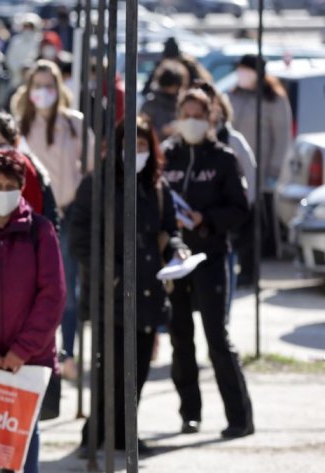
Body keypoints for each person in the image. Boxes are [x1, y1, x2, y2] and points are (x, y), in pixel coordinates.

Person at [73, 117, 188, 454]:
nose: (135, 153)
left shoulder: (157, 187)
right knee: (109, 368)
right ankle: (96, 433)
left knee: (137, 368)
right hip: (112, 293)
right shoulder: (97, 185)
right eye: (129, 146)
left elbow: (170, 230)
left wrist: (178, 250)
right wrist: (112, 274)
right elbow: (81, 238)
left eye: (141, 147)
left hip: (149, 292)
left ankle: (125, 432)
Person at [0, 149, 66, 473]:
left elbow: (53, 296)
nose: (2, 192)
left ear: (21, 187)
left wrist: (22, 350)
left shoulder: (40, 232)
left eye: (10, 186)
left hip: (26, 363)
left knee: (22, 449)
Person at [162, 89, 255, 439]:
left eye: (198, 114)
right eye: (185, 113)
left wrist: (206, 219)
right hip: (175, 261)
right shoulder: (166, 155)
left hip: (211, 257)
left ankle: (239, 417)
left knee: (217, 337)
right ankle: (190, 413)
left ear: (211, 117)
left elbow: (240, 208)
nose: (192, 121)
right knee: (180, 338)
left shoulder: (223, 158)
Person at [16, 59, 94, 381]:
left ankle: (69, 352)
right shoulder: (19, 125)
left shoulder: (74, 124)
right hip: (31, 215)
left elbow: (90, 168)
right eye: (39, 86)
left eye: (50, 85)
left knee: (67, 287)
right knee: (28, 287)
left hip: (69, 213)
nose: (44, 92)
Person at [197, 80, 257, 315]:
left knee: (220, 299)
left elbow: (249, 184)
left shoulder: (232, 142)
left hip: (224, 229)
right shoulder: (179, 145)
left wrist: (236, 215)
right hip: (191, 231)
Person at [227, 54, 293, 262]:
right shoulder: (235, 95)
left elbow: (282, 136)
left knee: (262, 212)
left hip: (263, 165)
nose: (242, 74)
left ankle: (267, 253)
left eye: (246, 70)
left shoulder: (273, 99)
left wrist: (275, 169)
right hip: (237, 165)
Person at [141, 60, 186, 141]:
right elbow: (142, 132)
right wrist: (162, 131)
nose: (171, 90)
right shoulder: (151, 103)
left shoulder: (182, 102)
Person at [5, 15, 42, 88]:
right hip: (17, 80)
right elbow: (10, 59)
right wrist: (20, 70)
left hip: (36, 80)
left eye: (30, 26)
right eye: (26, 26)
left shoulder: (40, 41)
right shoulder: (16, 41)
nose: (28, 29)